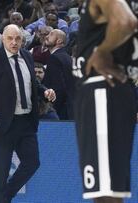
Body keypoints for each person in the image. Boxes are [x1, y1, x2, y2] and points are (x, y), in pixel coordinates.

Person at [0, 24, 55, 203]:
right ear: (2, 39)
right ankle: (1, 199)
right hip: (3, 123)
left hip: (26, 121)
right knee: (1, 171)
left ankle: (2, 198)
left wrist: (44, 92)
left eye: (18, 38)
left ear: (22, 39)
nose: (14, 42)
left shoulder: (27, 55)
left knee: (32, 162)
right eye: (10, 38)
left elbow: (31, 81)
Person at [73, 0, 137, 203]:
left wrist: (102, 51)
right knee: (109, 189)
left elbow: (125, 21)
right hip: (119, 89)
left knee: (104, 194)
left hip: (101, 90)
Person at [43, 29, 74, 120]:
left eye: (51, 34)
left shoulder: (54, 58)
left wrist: (52, 109)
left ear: (59, 41)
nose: (47, 36)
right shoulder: (67, 57)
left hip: (60, 111)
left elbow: (58, 88)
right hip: (70, 108)